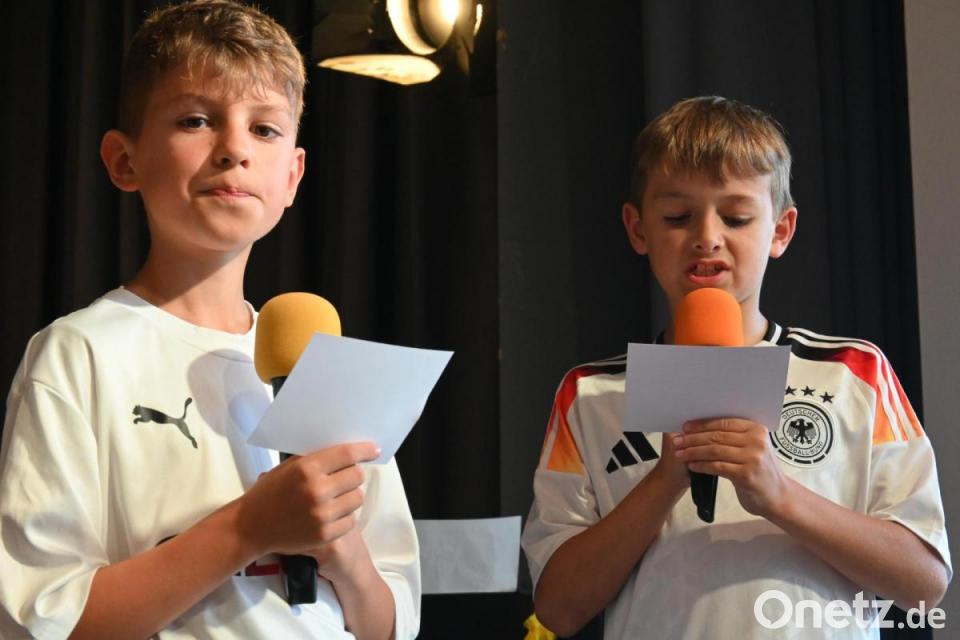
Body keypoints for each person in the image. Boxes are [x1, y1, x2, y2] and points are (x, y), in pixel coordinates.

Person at [0, 1, 419, 638]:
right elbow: (42, 618)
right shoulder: (79, 353)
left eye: (265, 129)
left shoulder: (327, 365)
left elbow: (391, 620)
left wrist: (345, 556)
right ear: (124, 160)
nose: (234, 149)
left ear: (293, 176)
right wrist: (249, 527)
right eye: (196, 120)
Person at [521, 96, 951, 639]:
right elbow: (557, 609)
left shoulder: (851, 371)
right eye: (677, 217)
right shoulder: (591, 393)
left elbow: (924, 584)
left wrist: (777, 493)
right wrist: (667, 478)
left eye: (736, 217)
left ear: (780, 231)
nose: (707, 237)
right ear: (637, 229)